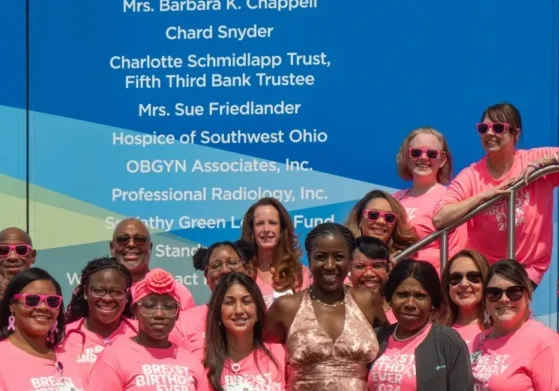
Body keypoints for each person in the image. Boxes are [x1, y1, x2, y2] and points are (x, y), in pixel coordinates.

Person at [433, 102, 559, 289]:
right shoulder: (472, 175)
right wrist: (483, 197)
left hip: (527, 269)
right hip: (485, 271)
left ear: (516, 134)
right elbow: (440, 218)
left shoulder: (533, 158)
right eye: (484, 128)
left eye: (498, 128)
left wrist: (542, 164)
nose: (490, 134)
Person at [265, 223, 385, 390]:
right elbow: (257, 357)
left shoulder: (366, 301)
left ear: (350, 259)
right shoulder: (287, 307)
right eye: (321, 257)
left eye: (338, 257)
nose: (329, 265)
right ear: (309, 258)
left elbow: (392, 351)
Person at [88, 268, 209, 390]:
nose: (159, 314)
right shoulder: (114, 358)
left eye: (168, 307)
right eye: (149, 306)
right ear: (135, 310)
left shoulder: (192, 362)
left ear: (177, 314)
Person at [370, 259, 474, 390]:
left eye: (420, 296)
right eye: (402, 295)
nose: (410, 304)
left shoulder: (448, 342)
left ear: (432, 303)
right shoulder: (377, 338)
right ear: (390, 298)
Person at [470, 259, 559, 390]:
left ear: (528, 296)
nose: (504, 299)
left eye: (514, 292)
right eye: (494, 293)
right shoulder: (479, 340)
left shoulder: (545, 341)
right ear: (485, 300)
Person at [394, 127, 467, 273]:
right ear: (407, 157)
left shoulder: (450, 200)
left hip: (431, 286)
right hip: (395, 286)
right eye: (416, 152)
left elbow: (456, 252)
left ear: (442, 160)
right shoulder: (393, 200)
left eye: (432, 154)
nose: (423, 158)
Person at [0, 268, 85, 390]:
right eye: (32, 300)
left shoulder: (70, 354)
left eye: (52, 301)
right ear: (12, 305)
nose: (43, 307)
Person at [61, 257, 137, 383]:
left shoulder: (142, 333)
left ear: (127, 296)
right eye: (99, 290)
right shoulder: (63, 337)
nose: (107, 298)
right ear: (86, 292)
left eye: (116, 292)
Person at [204, 272, 285, 390]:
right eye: (229, 302)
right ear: (218, 313)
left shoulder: (281, 354)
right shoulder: (205, 365)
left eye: (246, 301)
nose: (239, 310)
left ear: (258, 311)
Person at [170, 240, 252, 354]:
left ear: (246, 270)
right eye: (216, 265)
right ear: (206, 276)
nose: (225, 270)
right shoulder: (183, 323)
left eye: (232, 263)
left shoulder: (258, 316)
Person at [110, 217, 195, 309]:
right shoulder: (99, 292)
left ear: (150, 247)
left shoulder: (177, 292)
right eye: (123, 239)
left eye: (140, 239)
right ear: (112, 247)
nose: (131, 244)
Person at [241, 197, 311, 307]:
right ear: (252, 230)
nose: (266, 229)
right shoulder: (242, 273)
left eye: (273, 223)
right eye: (259, 223)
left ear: (282, 229)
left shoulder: (299, 274)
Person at [345, 189, 419, 256]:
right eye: (373, 215)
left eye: (389, 217)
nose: (381, 221)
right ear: (359, 218)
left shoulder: (405, 259)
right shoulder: (344, 255)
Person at [440, 249, 490, 346]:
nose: (463, 284)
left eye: (473, 277)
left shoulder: (501, 329)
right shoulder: (434, 332)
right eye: (456, 278)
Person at [346, 236, 397, 324]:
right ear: (349, 271)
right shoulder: (338, 307)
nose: (369, 274)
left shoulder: (400, 308)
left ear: (388, 269)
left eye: (377, 266)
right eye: (360, 266)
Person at [0, 227, 37, 299]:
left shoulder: (46, 292)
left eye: (21, 250)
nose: (12, 257)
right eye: (3, 250)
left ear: (32, 256)